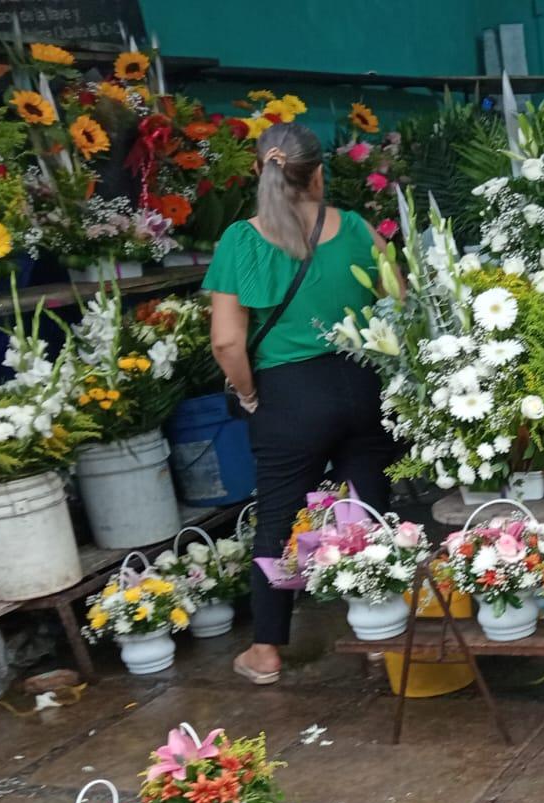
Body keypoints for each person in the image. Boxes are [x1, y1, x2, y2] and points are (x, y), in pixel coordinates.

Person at [204, 122, 396, 686]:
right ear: (317, 172)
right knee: (368, 510)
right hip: (363, 383)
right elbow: (401, 303)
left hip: (287, 397)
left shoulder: (241, 241)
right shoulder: (358, 228)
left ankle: (266, 651)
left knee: (279, 516)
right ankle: (379, 634)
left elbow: (226, 341)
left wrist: (247, 392)